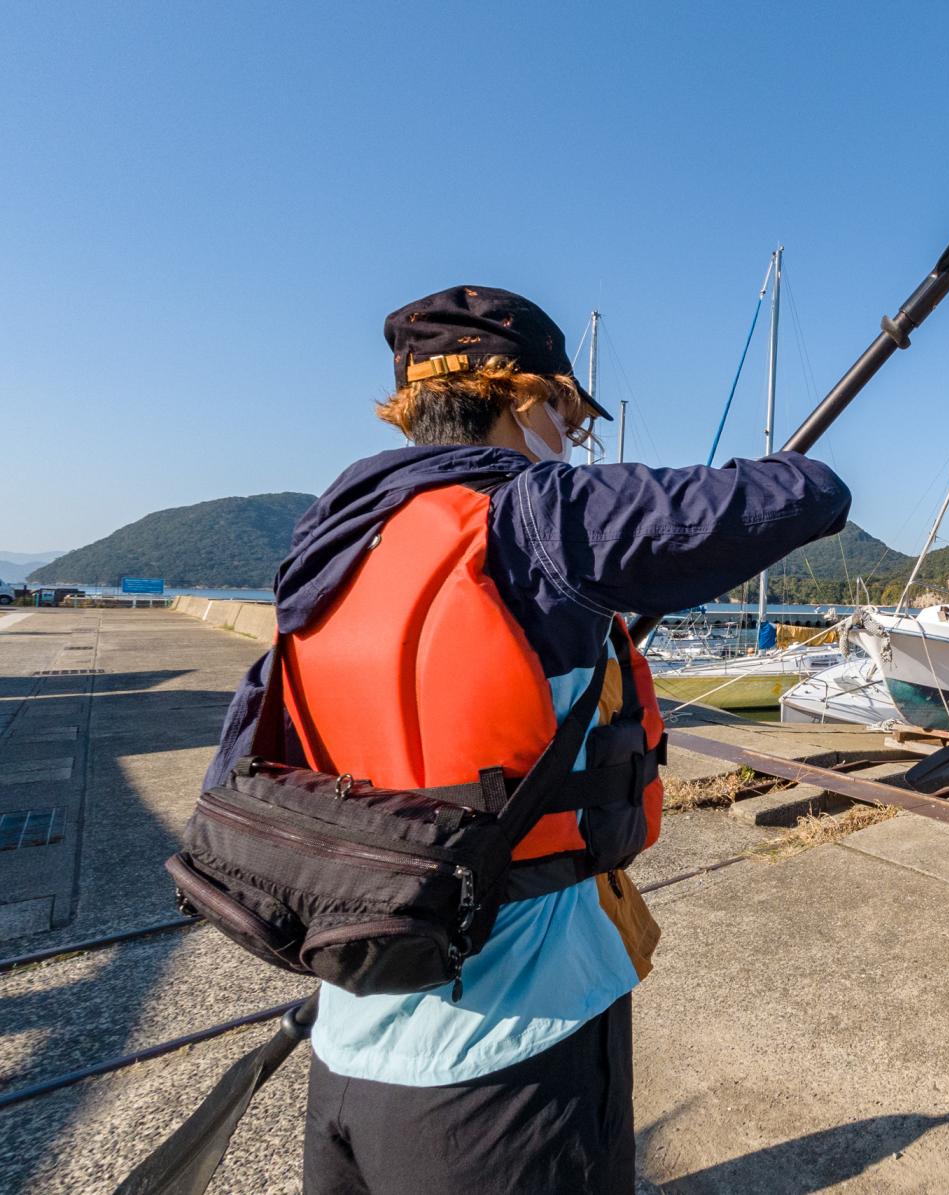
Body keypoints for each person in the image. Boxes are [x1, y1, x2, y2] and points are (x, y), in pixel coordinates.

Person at [201, 285, 850, 1193]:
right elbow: (791, 497)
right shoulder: (533, 514)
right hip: (508, 1062)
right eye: (569, 416)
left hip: (355, 1024)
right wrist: (814, 475)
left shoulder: (330, 535)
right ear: (523, 398)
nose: (572, 440)